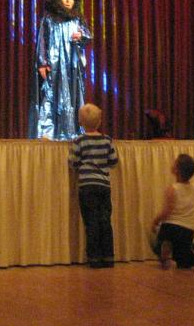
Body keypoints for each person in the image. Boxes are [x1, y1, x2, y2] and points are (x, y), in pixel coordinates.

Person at [28, 0, 92, 140]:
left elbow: (88, 36)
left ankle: (73, 131)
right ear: (58, 0)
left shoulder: (77, 19)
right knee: (51, 95)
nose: (68, 1)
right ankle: (49, 132)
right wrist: (42, 62)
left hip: (72, 65)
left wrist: (81, 36)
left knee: (72, 95)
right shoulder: (49, 19)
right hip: (54, 65)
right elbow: (42, 40)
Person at [69, 103, 118, 268]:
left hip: (87, 186)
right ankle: (108, 256)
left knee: (91, 222)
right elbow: (113, 162)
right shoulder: (107, 140)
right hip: (104, 185)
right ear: (99, 122)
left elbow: (73, 163)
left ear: (80, 122)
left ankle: (94, 258)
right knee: (105, 221)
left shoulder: (79, 141)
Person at [151, 153, 194, 270]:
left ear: (177, 170)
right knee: (184, 262)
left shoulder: (173, 189)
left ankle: (166, 250)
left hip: (170, 228)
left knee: (157, 240)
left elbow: (167, 211)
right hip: (187, 231)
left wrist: (155, 221)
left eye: (175, 162)